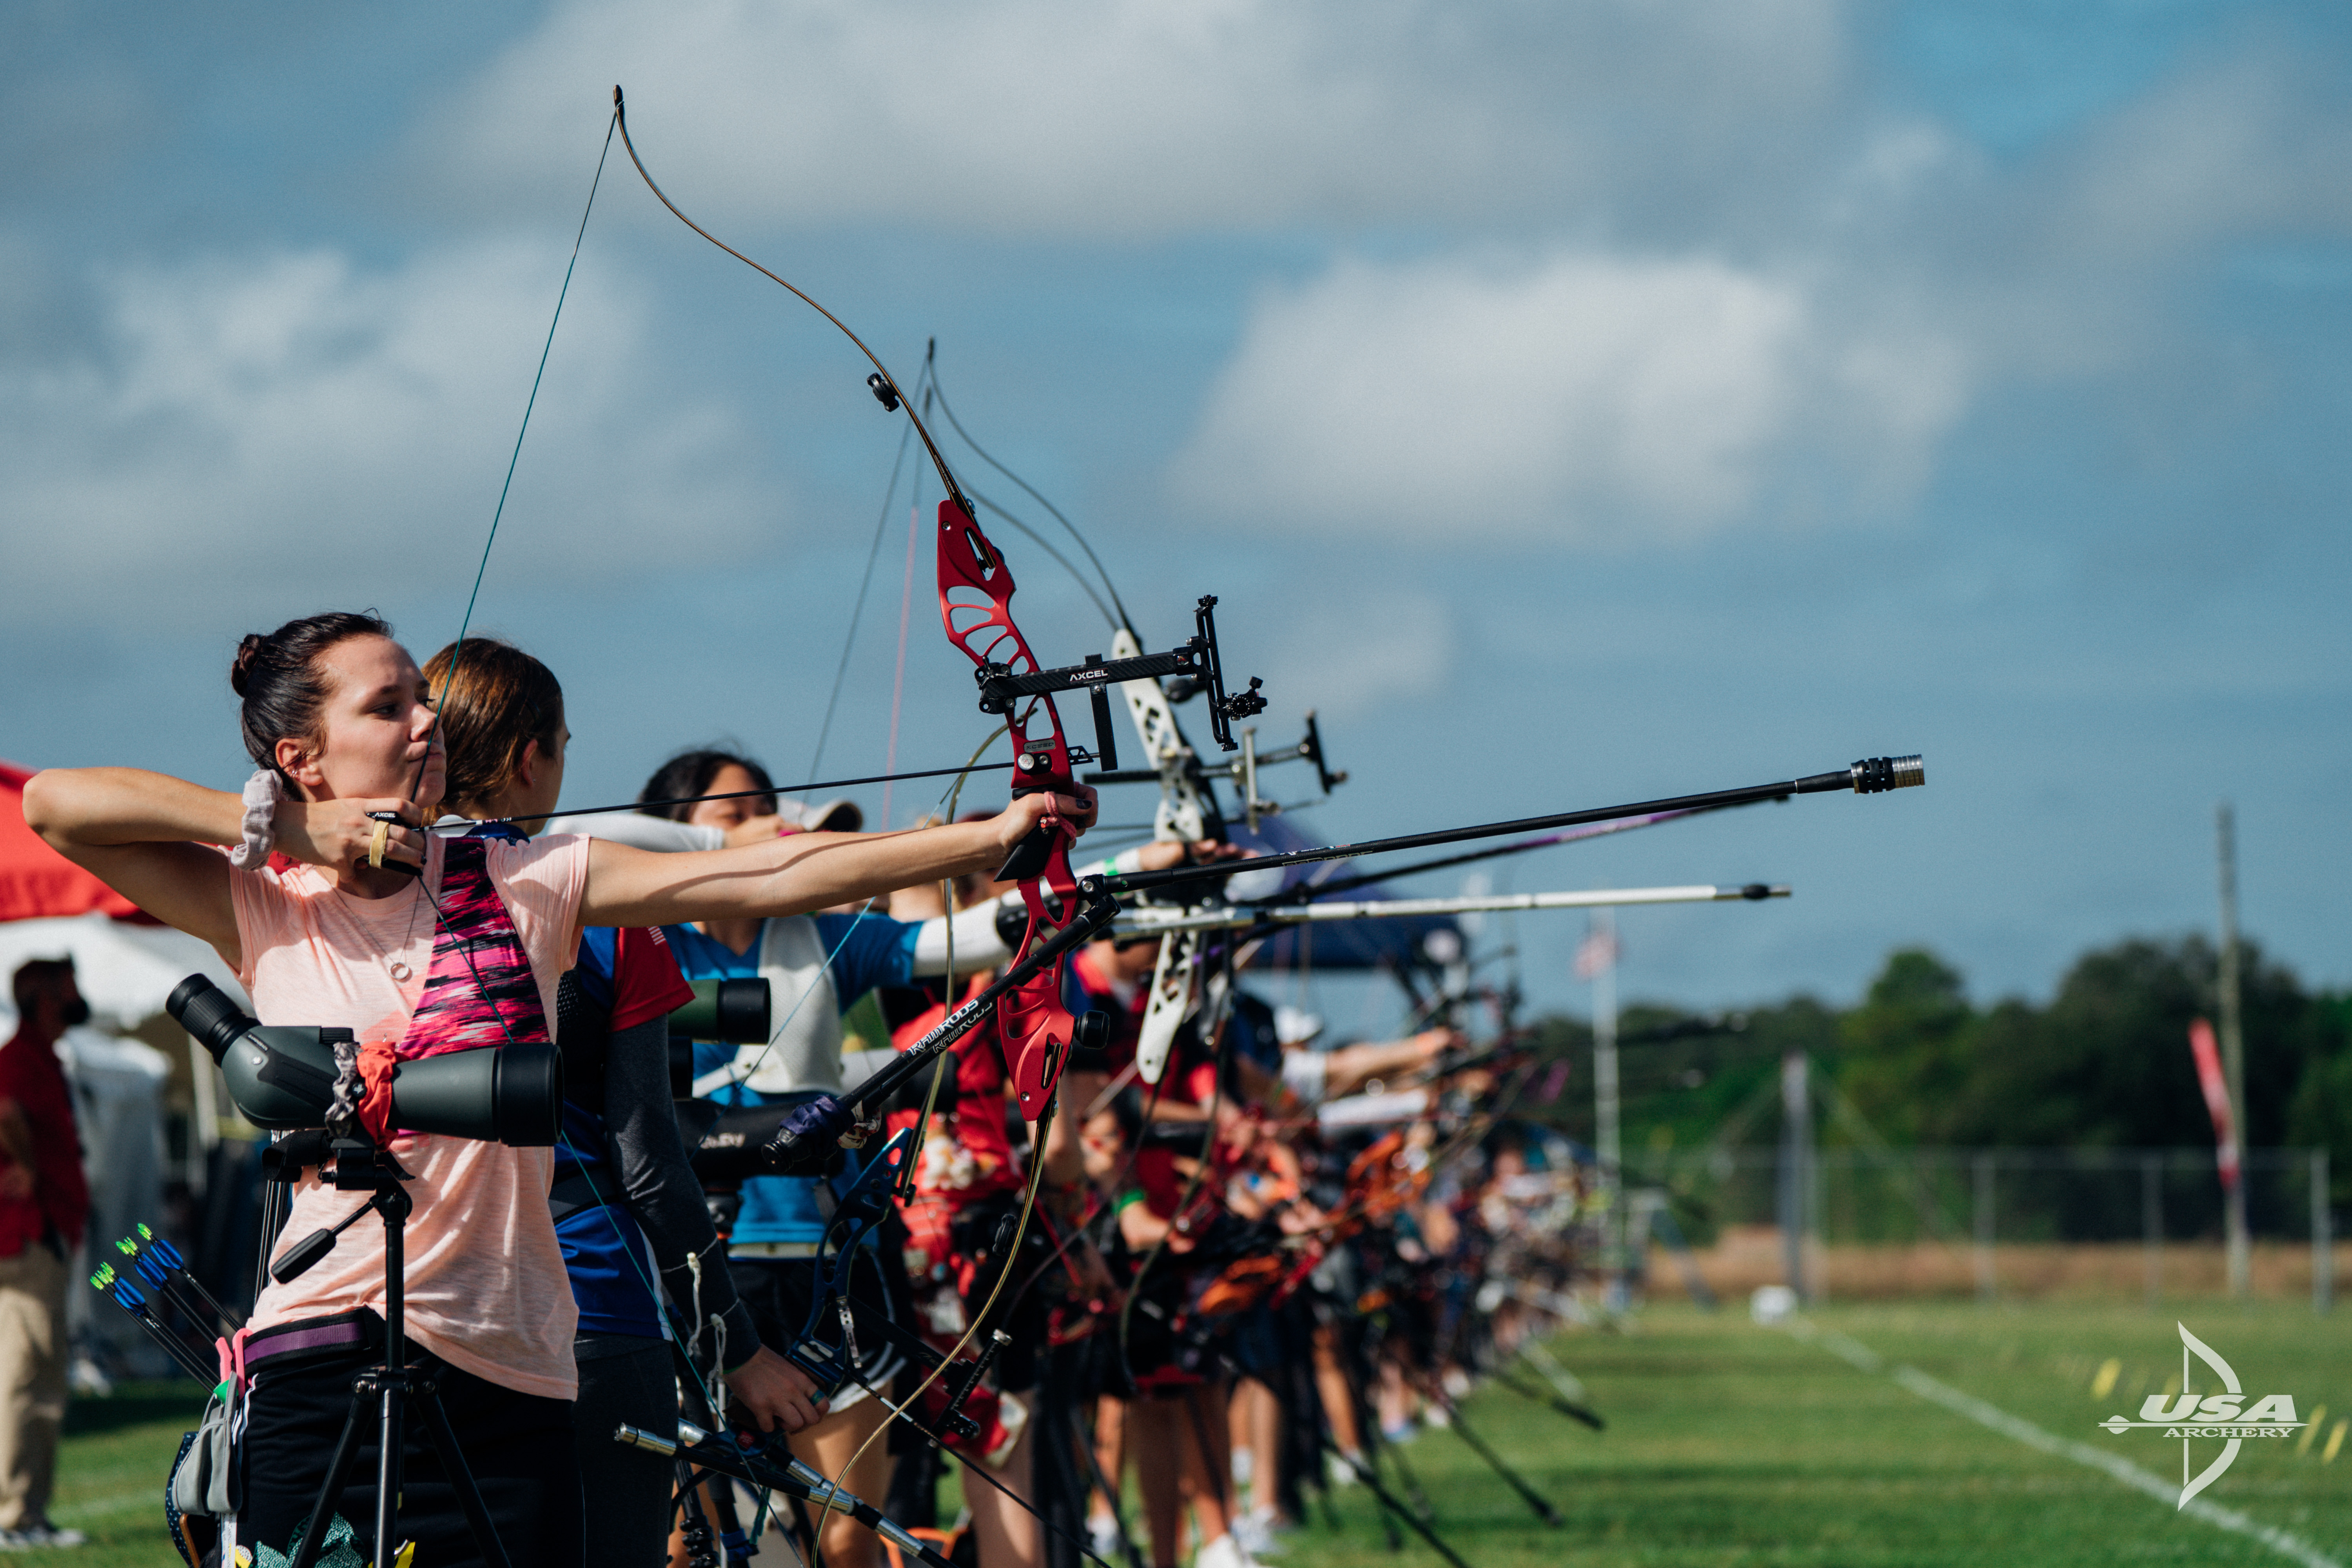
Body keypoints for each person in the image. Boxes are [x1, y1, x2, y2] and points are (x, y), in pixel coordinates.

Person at [21, 612, 1094, 1568]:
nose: (424, 724)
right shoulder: (263, 901)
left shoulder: (523, 876)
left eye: (425, 702)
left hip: (520, 1361)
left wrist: (995, 839)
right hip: (330, 1344)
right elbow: (60, 810)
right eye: (388, 705)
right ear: (302, 755)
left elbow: (761, 874)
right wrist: (297, 830)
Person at [421, 639, 816, 1568]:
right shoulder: (600, 910)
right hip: (590, 1308)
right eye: (559, 745)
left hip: (422, 1306)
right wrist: (741, 1347)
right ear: (530, 758)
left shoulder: (364, 898)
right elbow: (649, 1162)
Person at [0, 961, 93, 1551]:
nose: (78, 998)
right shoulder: (18, 1057)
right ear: (41, 998)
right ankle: (13, 1517)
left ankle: (29, 1515)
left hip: (47, 1234)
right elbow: (4, 1111)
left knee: (44, 1372)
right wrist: (24, 1166)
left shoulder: (43, 1057)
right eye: (67, 988)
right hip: (27, 1236)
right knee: (25, 1372)